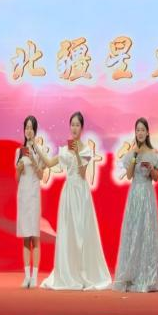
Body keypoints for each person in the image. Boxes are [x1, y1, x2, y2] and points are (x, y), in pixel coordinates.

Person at [33, 111, 111, 290]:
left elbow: (83, 173)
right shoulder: (64, 149)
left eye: (77, 125)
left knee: (82, 232)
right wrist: (36, 148)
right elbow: (49, 163)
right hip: (68, 193)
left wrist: (76, 153)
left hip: (81, 194)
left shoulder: (86, 150)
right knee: (68, 232)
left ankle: (84, 272)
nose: (74, 128)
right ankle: (69, 272)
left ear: (82, 128)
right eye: (72, 125)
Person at [113, 118, 158, 292]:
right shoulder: (131, 153)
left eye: (142, 130)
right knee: (133, 232)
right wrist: (134, 157)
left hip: (147, 194)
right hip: (134, 195)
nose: (139, 133)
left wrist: (151, 168)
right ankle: (131, 275)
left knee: (147, 233)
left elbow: (156, 178)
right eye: (137, 130)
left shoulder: (154, 153)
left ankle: (148, 274)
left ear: (147, 133)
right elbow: (129, 175)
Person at [15, 115, 44, 288]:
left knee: (35, 236)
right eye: (26, 127)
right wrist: (19, 169)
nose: (29, 131)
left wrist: (33, 159)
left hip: (34, 195)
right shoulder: (19, 151)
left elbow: (41, 175)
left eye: (31, 128)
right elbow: (16, 178)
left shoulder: (39, 150)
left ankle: (35, 277)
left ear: (35, 130)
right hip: (23, 196)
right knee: (25, 237)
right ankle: (26, 276)